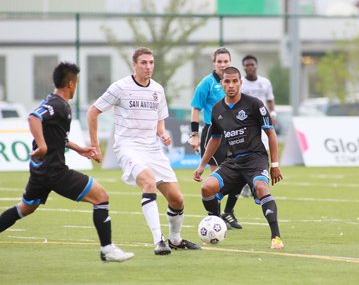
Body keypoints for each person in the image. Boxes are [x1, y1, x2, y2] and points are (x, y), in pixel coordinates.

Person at [0, 62, 134, 262]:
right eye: (77, 83)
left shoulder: (55, 102)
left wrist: (78, 148)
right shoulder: (58, 105)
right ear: (71, 84)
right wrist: (43, 147)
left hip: (40, 171)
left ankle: (107, 249)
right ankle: (107, 250)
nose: (76, 88)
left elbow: (56, 135)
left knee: (24, 208)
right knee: (101, 197)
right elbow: (33, 117)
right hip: (54, 171)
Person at [87, 47, 201, 256]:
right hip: (128, 147)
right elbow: (92, 112)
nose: (148, 66)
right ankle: (158, 241)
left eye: (151, 62)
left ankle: (175, 240)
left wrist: (163, 135)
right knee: (149, 183)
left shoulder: (157, 89)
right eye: (144, 63)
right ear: (135, 65)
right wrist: (95, 146)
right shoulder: (120, 87)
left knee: (177, 199)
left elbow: (160, 123)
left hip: (153, 149)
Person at [193, 66, 284, 249]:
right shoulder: (217, 109)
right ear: (222, 83)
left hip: (255, 159)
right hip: (233, 162)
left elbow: (271, 134)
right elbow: (215, 139)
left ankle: (276, 237)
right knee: (206, 188)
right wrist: (202, 165)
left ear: (240, 83)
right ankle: (217, 225)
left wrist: (274, 164)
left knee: (261, 187)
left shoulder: (254, 104)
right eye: (227, 81)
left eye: (235, 81)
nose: (231, 85)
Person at [190, 47, 243, 230]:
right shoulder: (207, 83)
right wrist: (194, 134)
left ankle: (227, 212)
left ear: (230, 61)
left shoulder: (232, 82)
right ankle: (216, 219)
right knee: (218, 178)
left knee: (240, 175)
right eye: (219, 61)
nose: (222, 65)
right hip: (214, 133)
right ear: (214, 62)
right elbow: (196, 108)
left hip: (233, 133)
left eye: (226, 61)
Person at [240, 54, 277, 197]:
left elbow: (270, 100)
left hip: (262, 123)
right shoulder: (240, 82)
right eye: (247, 65)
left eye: (252, 65)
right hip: (245, 124)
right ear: (244, 67)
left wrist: (273, 114)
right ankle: (244, 184)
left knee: (264, 153)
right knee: (244, 153)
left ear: (256, 66)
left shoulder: (265, 82)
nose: (250, 67)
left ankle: (261, 184)